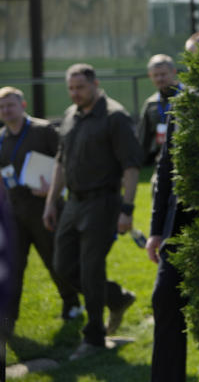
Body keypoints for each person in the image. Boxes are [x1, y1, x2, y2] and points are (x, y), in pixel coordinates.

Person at [42, 64, 142, 360]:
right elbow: (60, 162)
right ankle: (117, 297)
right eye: (71, 88)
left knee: (91, 270)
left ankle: (94, 338)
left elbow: (132, 166)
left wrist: (127, 209)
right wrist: (50, 202)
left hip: (103, 203)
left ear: (95, 84)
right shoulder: (71, 115)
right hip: (73, 203)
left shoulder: (115, 116)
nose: (74, 93)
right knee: (62, 265)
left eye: (80, 88)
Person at [145, 29, 199, 382]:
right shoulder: (182, 103)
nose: (196, 62)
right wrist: (154, 231)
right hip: (180, 224)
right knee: (164, 300)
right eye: (191, 56)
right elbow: (165, 167)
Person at [0, 86, 81, 335]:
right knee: (12, 266)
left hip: (46, 207)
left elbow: (66, 161)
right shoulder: (1, 138)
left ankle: (72, 304)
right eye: (1, 107)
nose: (5, 110)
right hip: (14, 212)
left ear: (23, 105)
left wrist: (53, 191)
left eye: (10, 105)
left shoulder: (42, 129)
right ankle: (7, 319)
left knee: (55, 258)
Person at [138, 54, 182, 167]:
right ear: (150, 76)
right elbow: (143, 138)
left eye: (163, 74)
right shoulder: (151, 103)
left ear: (174, 72)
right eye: (155, 75)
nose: (159, 79)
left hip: (185, 159)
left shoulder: (188, 96)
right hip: (161, 161)